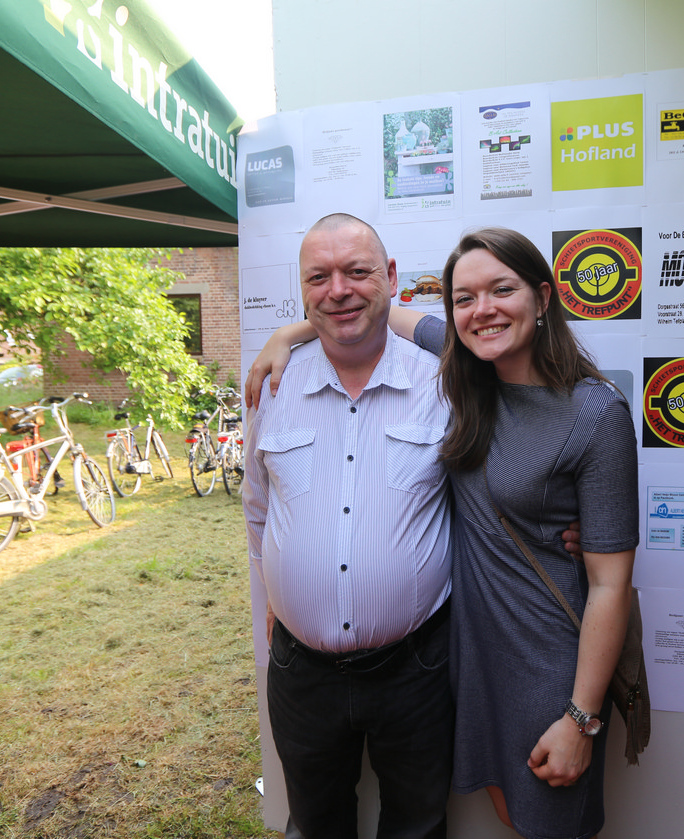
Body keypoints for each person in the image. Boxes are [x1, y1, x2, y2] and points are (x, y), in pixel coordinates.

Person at [249, 227, 639, 839]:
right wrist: (289, 333)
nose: (483, 310)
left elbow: (610, 582)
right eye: (464, 299)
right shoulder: (458, 375)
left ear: (543, 297)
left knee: (529, 820)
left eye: (502, 290)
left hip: (517, 657)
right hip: (453, 656)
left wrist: (582, 716)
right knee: (495, 812)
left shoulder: (569, 405)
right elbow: (360, 315)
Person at [242, 214, 455, 839]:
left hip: (417, 666)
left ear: (391, 277)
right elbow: (258, 508)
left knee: (418, 826)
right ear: (302, 291)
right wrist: (277, 596)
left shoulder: (445, 384)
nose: (338, 290)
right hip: (301, 672)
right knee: (315, 825)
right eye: (319, 278)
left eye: (357, 272)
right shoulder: (270, 388)